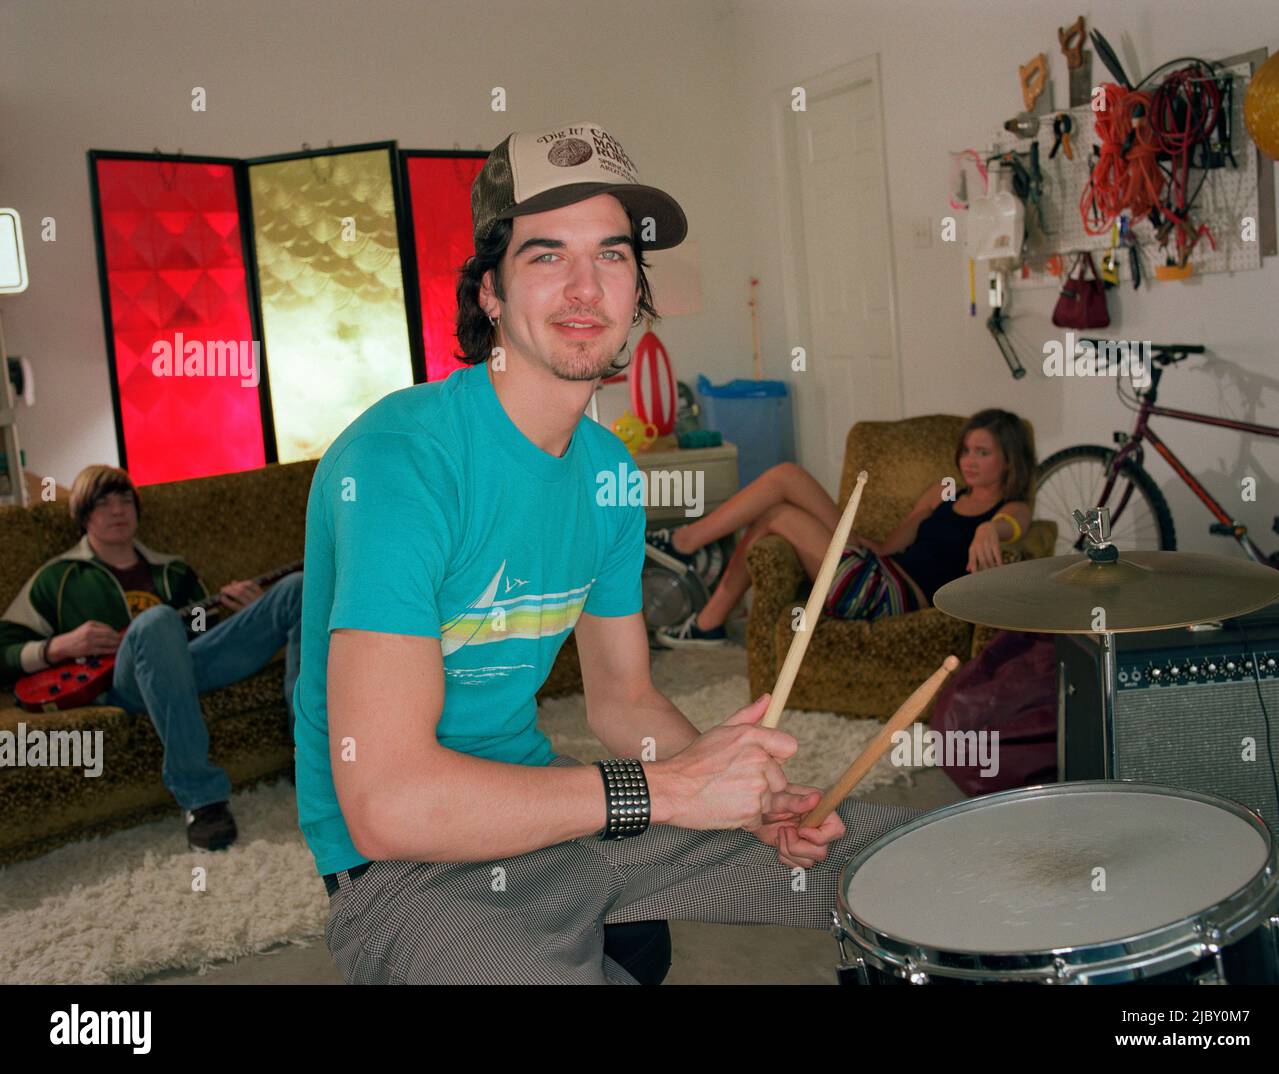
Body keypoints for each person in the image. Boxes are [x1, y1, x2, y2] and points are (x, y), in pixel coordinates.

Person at [295, 121, 920, 986]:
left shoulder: (609, 474)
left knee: (911, 861)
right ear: (488, 292)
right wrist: (667, 793)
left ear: (639, 290)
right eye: (547, 255)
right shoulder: (400, 461)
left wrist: (746, 798)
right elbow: (389, 804)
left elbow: (623, 702)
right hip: (407, 871)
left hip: (558, 816)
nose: (586, 286)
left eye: (614, 256)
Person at [0, 465, 304, 850]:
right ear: (82, 515)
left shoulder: (172, 570)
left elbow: (201, 629)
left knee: (295, 588)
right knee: (157, 619)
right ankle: (202, 800)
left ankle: (308, 756)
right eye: (103, 503)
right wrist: (58, 646)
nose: (117, 510)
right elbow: (4, 649)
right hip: (121, 685)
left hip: (188, 669)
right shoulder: (58, 578)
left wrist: (246, 610)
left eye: (125, 500)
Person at [651, 410, 1036, 648]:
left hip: (892, 598)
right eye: (966, 450)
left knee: (779, 508)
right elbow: (893, 544)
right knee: (780, 492)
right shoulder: (945, 490)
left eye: (982, 453)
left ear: (1009, 460)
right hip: (879, 569)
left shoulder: (1011, 507)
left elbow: (1013, 526)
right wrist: (858, 542)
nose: (969, 461)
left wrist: (990, 530)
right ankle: (707, 619)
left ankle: (688, 551)